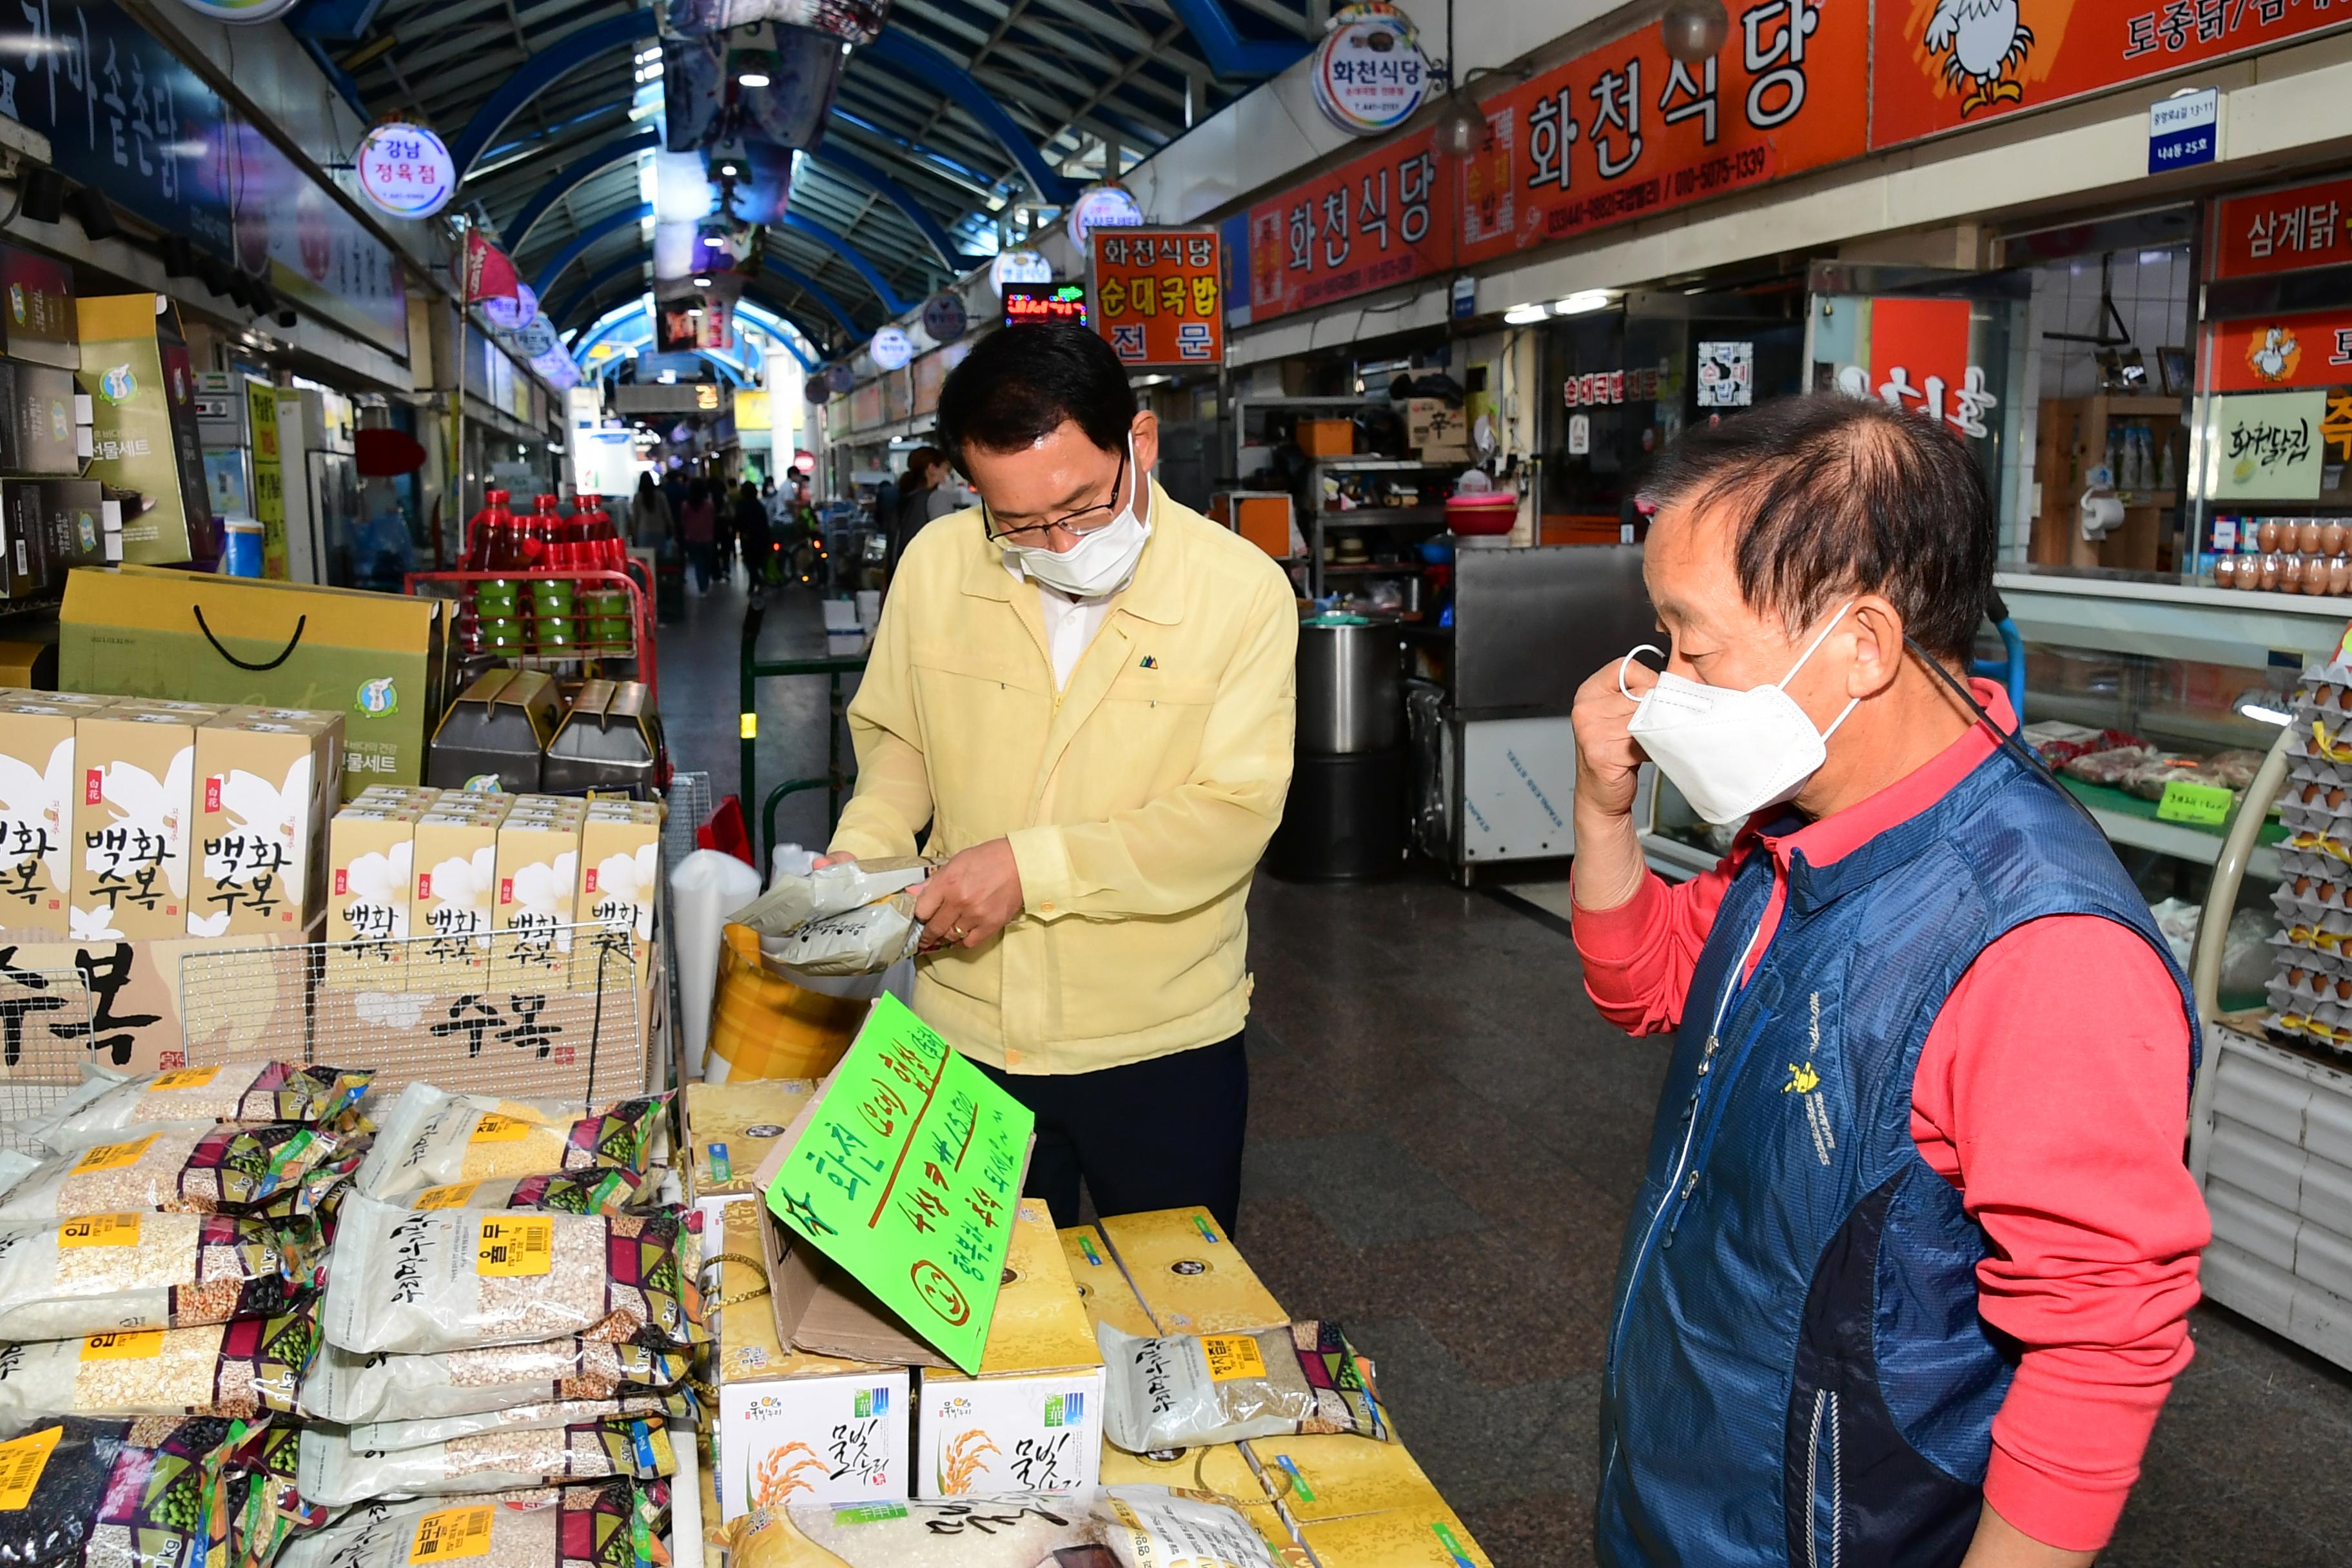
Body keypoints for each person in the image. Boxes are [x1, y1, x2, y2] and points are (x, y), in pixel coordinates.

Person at [1567, 395, 2208, 1568]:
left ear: (1859, 646)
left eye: (1691, 643)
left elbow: (2098, 1345)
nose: (1656, 683)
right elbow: (1645, 982)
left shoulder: (2036, 945)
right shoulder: (1805, 829)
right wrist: (1602, 809)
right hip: (1689, 1479)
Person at [819, 323, 1298, 1234]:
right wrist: (863, 855)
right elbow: (899, 742)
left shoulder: (1239, 592)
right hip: (965, 1032)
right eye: (1021, 522)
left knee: (1163, 1323)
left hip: (1158, 1048)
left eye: (1082, 505)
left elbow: (1230, 816)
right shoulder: (939, 565)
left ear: (1139, 443)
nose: (1060, 540)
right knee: (983, 1340)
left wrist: (1031, 870)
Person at [678, 478, 716, 593]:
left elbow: (683, 522)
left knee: (698, 563)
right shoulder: (709, 505)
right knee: (706, 562)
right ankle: (706, 584)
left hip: (691, 538)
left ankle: (702, 587)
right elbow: (712, 521)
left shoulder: (686, 505)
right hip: (707, 537)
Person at [734, 481, 770, 586]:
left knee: (750, 562)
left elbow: (738, 521)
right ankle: (760, 580)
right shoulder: (759, 505)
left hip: (747, 537)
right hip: (760, 536)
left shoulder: (741, 505)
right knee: (760, 560)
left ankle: (754, 581)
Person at [627, 472, 672, 549]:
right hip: (660, 530)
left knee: (645, 557)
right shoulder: (660, 495)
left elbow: (635, 518)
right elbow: (667, 514)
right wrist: (671, 527)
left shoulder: (638, 497)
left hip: (643, 530)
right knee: (660, 558)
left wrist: (634, 533)